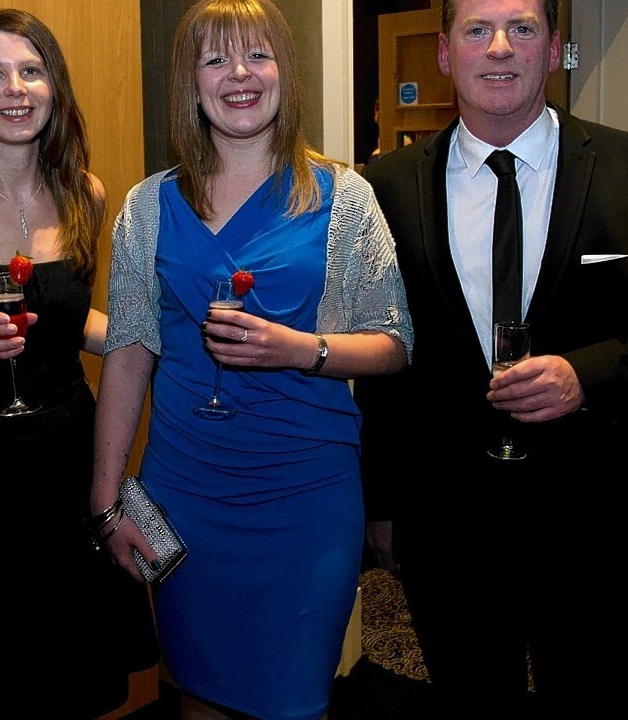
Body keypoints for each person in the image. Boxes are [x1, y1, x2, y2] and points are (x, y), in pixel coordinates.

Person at [355, 1, 628, 718]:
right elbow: (385, 358)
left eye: (522, 28)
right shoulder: (384, 188)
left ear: (552, 50)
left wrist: (588, 376)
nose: (499, 48)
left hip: (587, 505)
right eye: (475, 30)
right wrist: (381, 502)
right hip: (443, 513)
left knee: (593, 692)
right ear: (445, 53)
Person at [91, 1, 413, 718]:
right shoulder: (148, 206)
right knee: (195, 692)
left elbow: (393, 344)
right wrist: (106, 499)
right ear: (190, 82)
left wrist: (298, 349)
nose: (238, 74)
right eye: (214, 59)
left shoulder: (344, 197)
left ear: (283, 72)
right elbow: (129, 350)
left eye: (257, 55)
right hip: (186, 497)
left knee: (294, 700)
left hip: (306, 498)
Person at [0, 9, 157, 718]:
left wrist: (154, 336)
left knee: (71, 683)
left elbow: (65, 320)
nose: (15, 89)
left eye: (31, 70)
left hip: (68, 468)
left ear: (53, 86)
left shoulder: (86, 194)